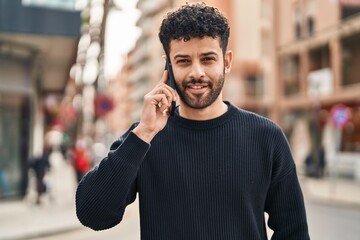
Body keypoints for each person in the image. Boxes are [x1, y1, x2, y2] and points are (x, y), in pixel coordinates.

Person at [76, 3, 310, 239]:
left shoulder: (266, 137)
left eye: (207, 59)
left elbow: (294, 231)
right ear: (168, 65)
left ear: (226, 62)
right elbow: (93, 214)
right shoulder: (144, 138)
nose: (196, 72)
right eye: (183, 61)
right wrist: (144, 132)